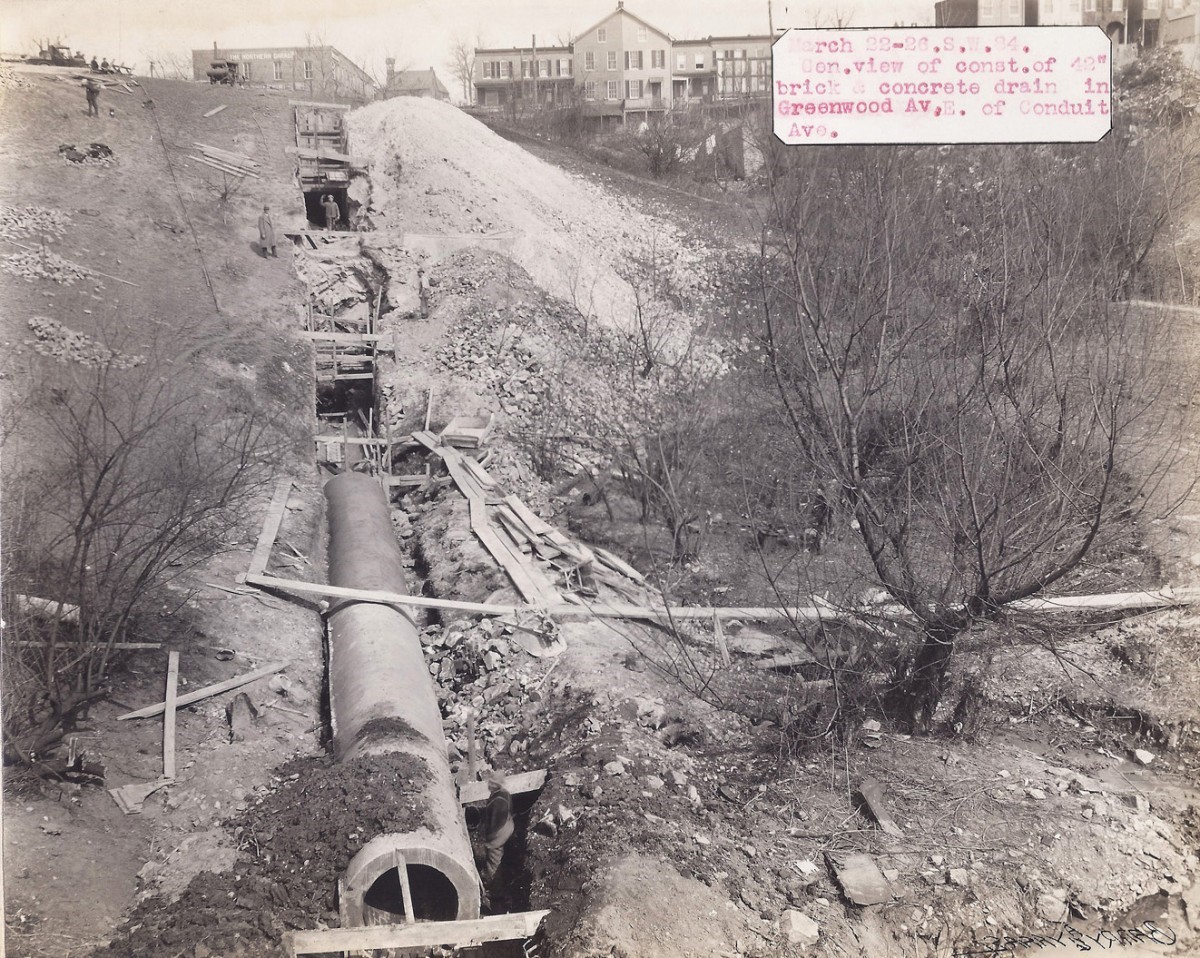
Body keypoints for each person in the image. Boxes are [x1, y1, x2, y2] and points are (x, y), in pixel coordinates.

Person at [477, 769, 514, 887]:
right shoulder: (503, 793)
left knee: (494, 859)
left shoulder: (499, 802)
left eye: (492, 783)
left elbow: (495, 824)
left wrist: (490, 840)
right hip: (508, 827)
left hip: (500, 832)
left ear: (496, 785)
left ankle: (496, 890)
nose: (489, 784)